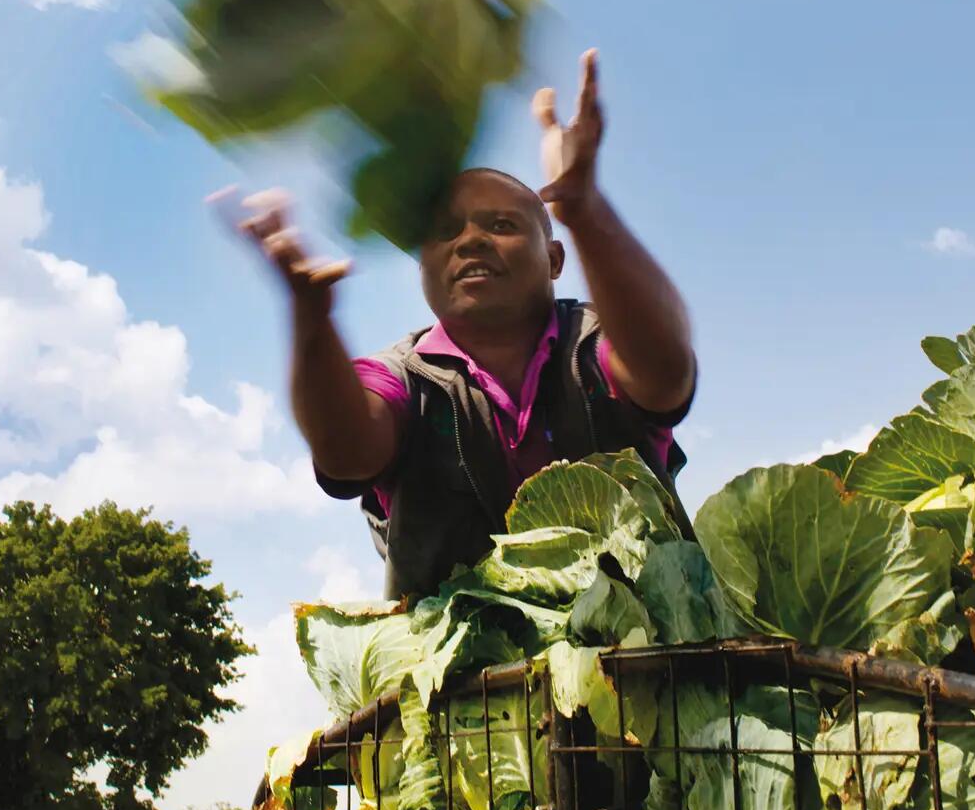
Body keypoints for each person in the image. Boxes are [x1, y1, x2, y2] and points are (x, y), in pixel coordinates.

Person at [226, 49, 697, 599]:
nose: (470, 240)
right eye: (446, 232)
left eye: (501, 225)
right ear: (421, 267)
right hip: (473, 683)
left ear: (554, 260)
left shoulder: (600, 340)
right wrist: (311, 322)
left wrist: (586, 210)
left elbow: (664, 371)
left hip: (652, 669)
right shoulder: (401, 377)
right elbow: (347, 450)